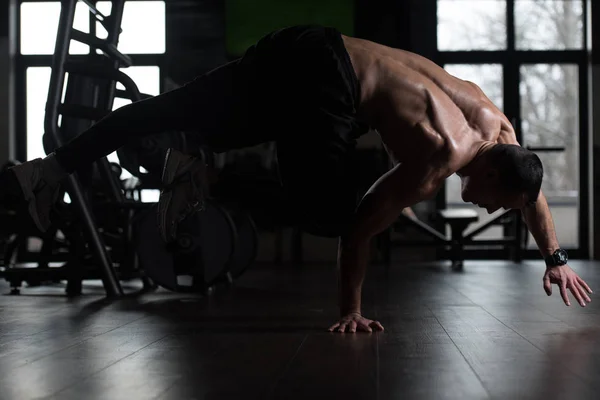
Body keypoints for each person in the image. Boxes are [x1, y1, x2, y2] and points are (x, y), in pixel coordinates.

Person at [1, 25, 592, 333]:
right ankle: (203, 178)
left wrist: (554, 256)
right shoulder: (439, 155)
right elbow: (357, 233)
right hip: (327, 84)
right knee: (335, 213)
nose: (489, 208)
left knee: (170, 111)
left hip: (303, 44)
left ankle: (46, 169)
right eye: (495, 201)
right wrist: (352, 308)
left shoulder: (497, 127)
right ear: (488, 169)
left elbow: (529, 196)